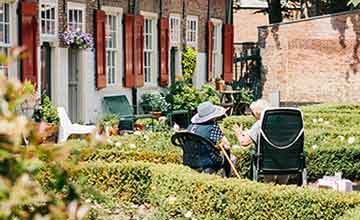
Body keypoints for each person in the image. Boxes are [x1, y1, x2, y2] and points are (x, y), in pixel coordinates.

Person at [232, 99, 289, 184]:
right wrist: (250, 133)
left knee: (260, 154)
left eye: (252, 113)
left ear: (257, 113)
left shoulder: (260, 123)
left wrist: (238, 134)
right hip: (287, 161)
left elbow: (244, 142)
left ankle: (269, 184)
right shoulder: (284, 123)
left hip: (267, 162)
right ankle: (282, 184)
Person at [188, 101, 235, 177]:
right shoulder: (212, 127)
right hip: (207, 161)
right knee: (232, 158)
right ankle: (226, 179)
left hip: (190, 160)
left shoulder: (190, 127)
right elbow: (227, 145)